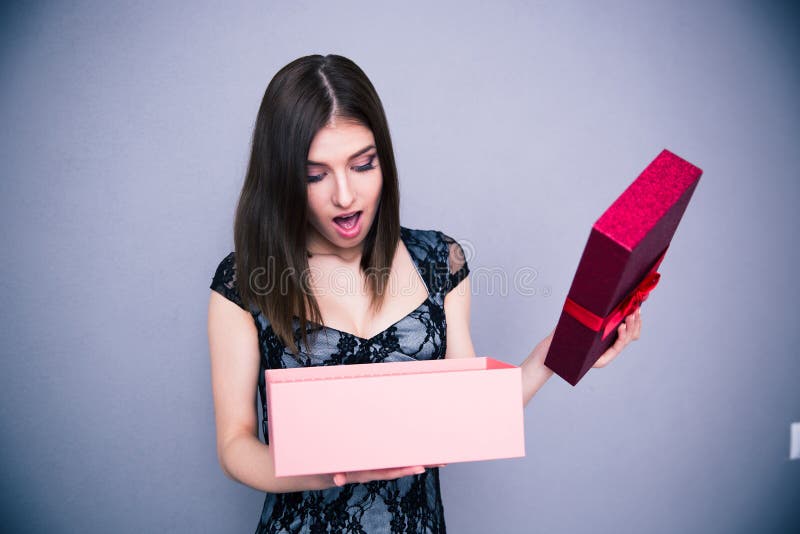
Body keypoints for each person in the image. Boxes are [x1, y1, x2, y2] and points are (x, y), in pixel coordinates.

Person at [207, 54, 642, 533]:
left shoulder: (441, 261)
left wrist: (550, 356)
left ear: (384, 161)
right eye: (316, 175)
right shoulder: (244, 281)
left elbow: (467, 414)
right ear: (283, 176)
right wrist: (332, 471)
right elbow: (235, 445)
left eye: (363, 164)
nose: (345, 195)